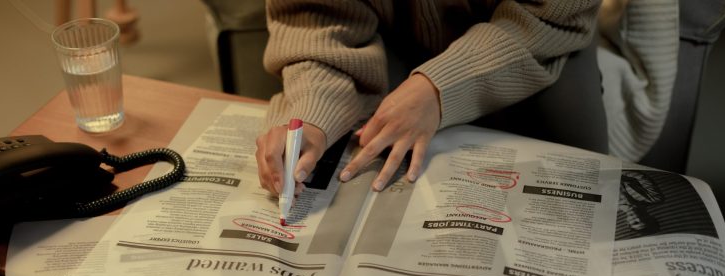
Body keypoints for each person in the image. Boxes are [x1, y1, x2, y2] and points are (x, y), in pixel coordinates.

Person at [255, 0, 605, 199]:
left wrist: (439, 88)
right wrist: (313, 114)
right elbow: (317, 20)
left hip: (536, 39)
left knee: (581, 183)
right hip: (387, 38)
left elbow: (552, 16)